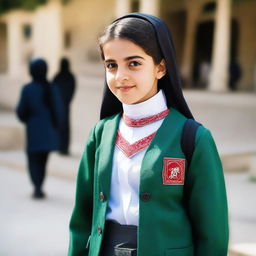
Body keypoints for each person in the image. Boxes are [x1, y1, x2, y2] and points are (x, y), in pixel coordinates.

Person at [68, 13, 229, 256]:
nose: (120, 75)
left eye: (134, 63)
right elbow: (81, 219)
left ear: (161, 67)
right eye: (111, 65)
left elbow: (212, 234)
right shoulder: (100, 134)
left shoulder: (193, 138)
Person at [16, 58, 63, 199]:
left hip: (34, 131)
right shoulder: (52, 88)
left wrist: (29, 118)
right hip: (49, 131)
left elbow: (21, 112)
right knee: (42, 161)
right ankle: (39, 186)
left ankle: (37, 187)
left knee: (33, 161)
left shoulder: (27, 89)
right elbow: (59, 111)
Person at [53, 57, 76, 155]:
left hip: (61, 106)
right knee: (64, 127)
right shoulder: (70, 76)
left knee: (62, 126)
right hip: (64, 105)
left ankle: (62, 148)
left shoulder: (57, 76)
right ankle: (62, 148)